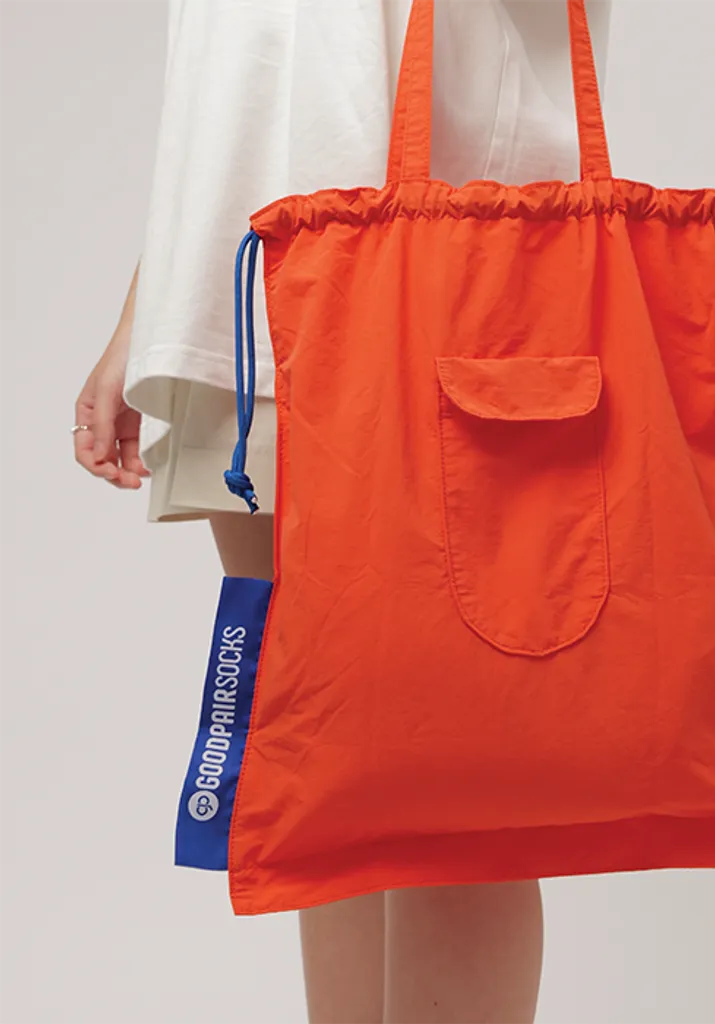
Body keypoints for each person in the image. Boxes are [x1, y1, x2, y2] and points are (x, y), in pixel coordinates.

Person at [71, 2, 611, 1022]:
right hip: (240, 311)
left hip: (443, 296)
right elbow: (235, 87)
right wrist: (149, 315)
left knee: (454, 796)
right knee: (329, 779)